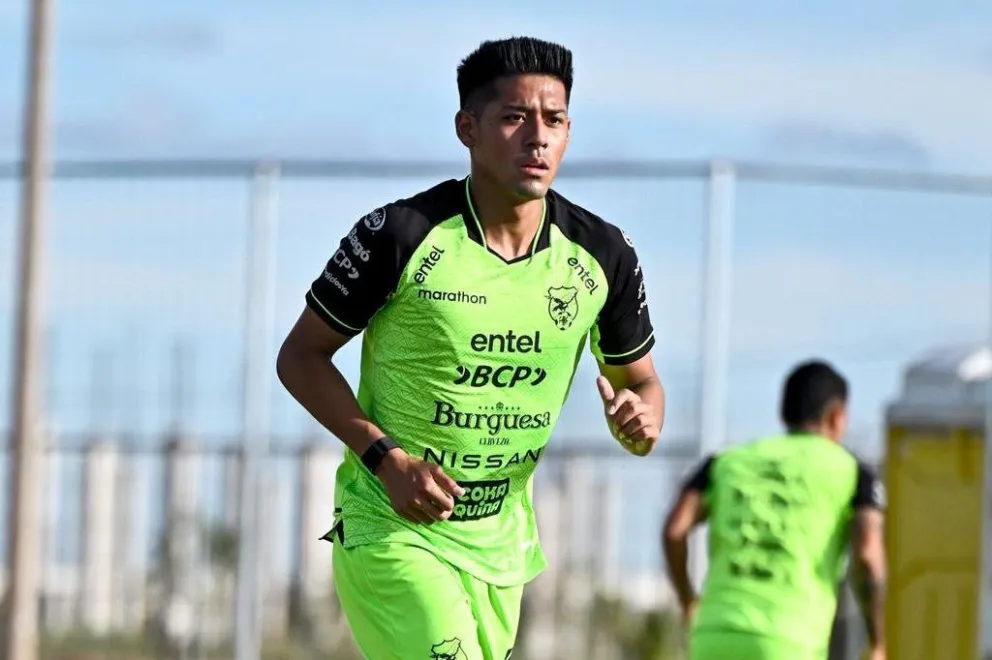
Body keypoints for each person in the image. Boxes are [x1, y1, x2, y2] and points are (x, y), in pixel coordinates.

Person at [276, 36, 666, 660]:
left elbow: (640, 382)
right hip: (391, 529)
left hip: (500, 547)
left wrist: (642, 420)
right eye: (515, 117)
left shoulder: (603, 255)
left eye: (554, 120)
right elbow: (300, 356)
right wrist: (385, 459)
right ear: (468, 128)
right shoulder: (401, 235)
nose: (537, 138)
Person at [662, 360, 887, 660]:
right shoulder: (852, 472)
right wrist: (877, 641)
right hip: (789, 641)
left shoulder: (727, 461)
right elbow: (868, 556)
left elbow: (674, 530)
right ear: (836, 416)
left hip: (714, 634)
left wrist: (688, 601)